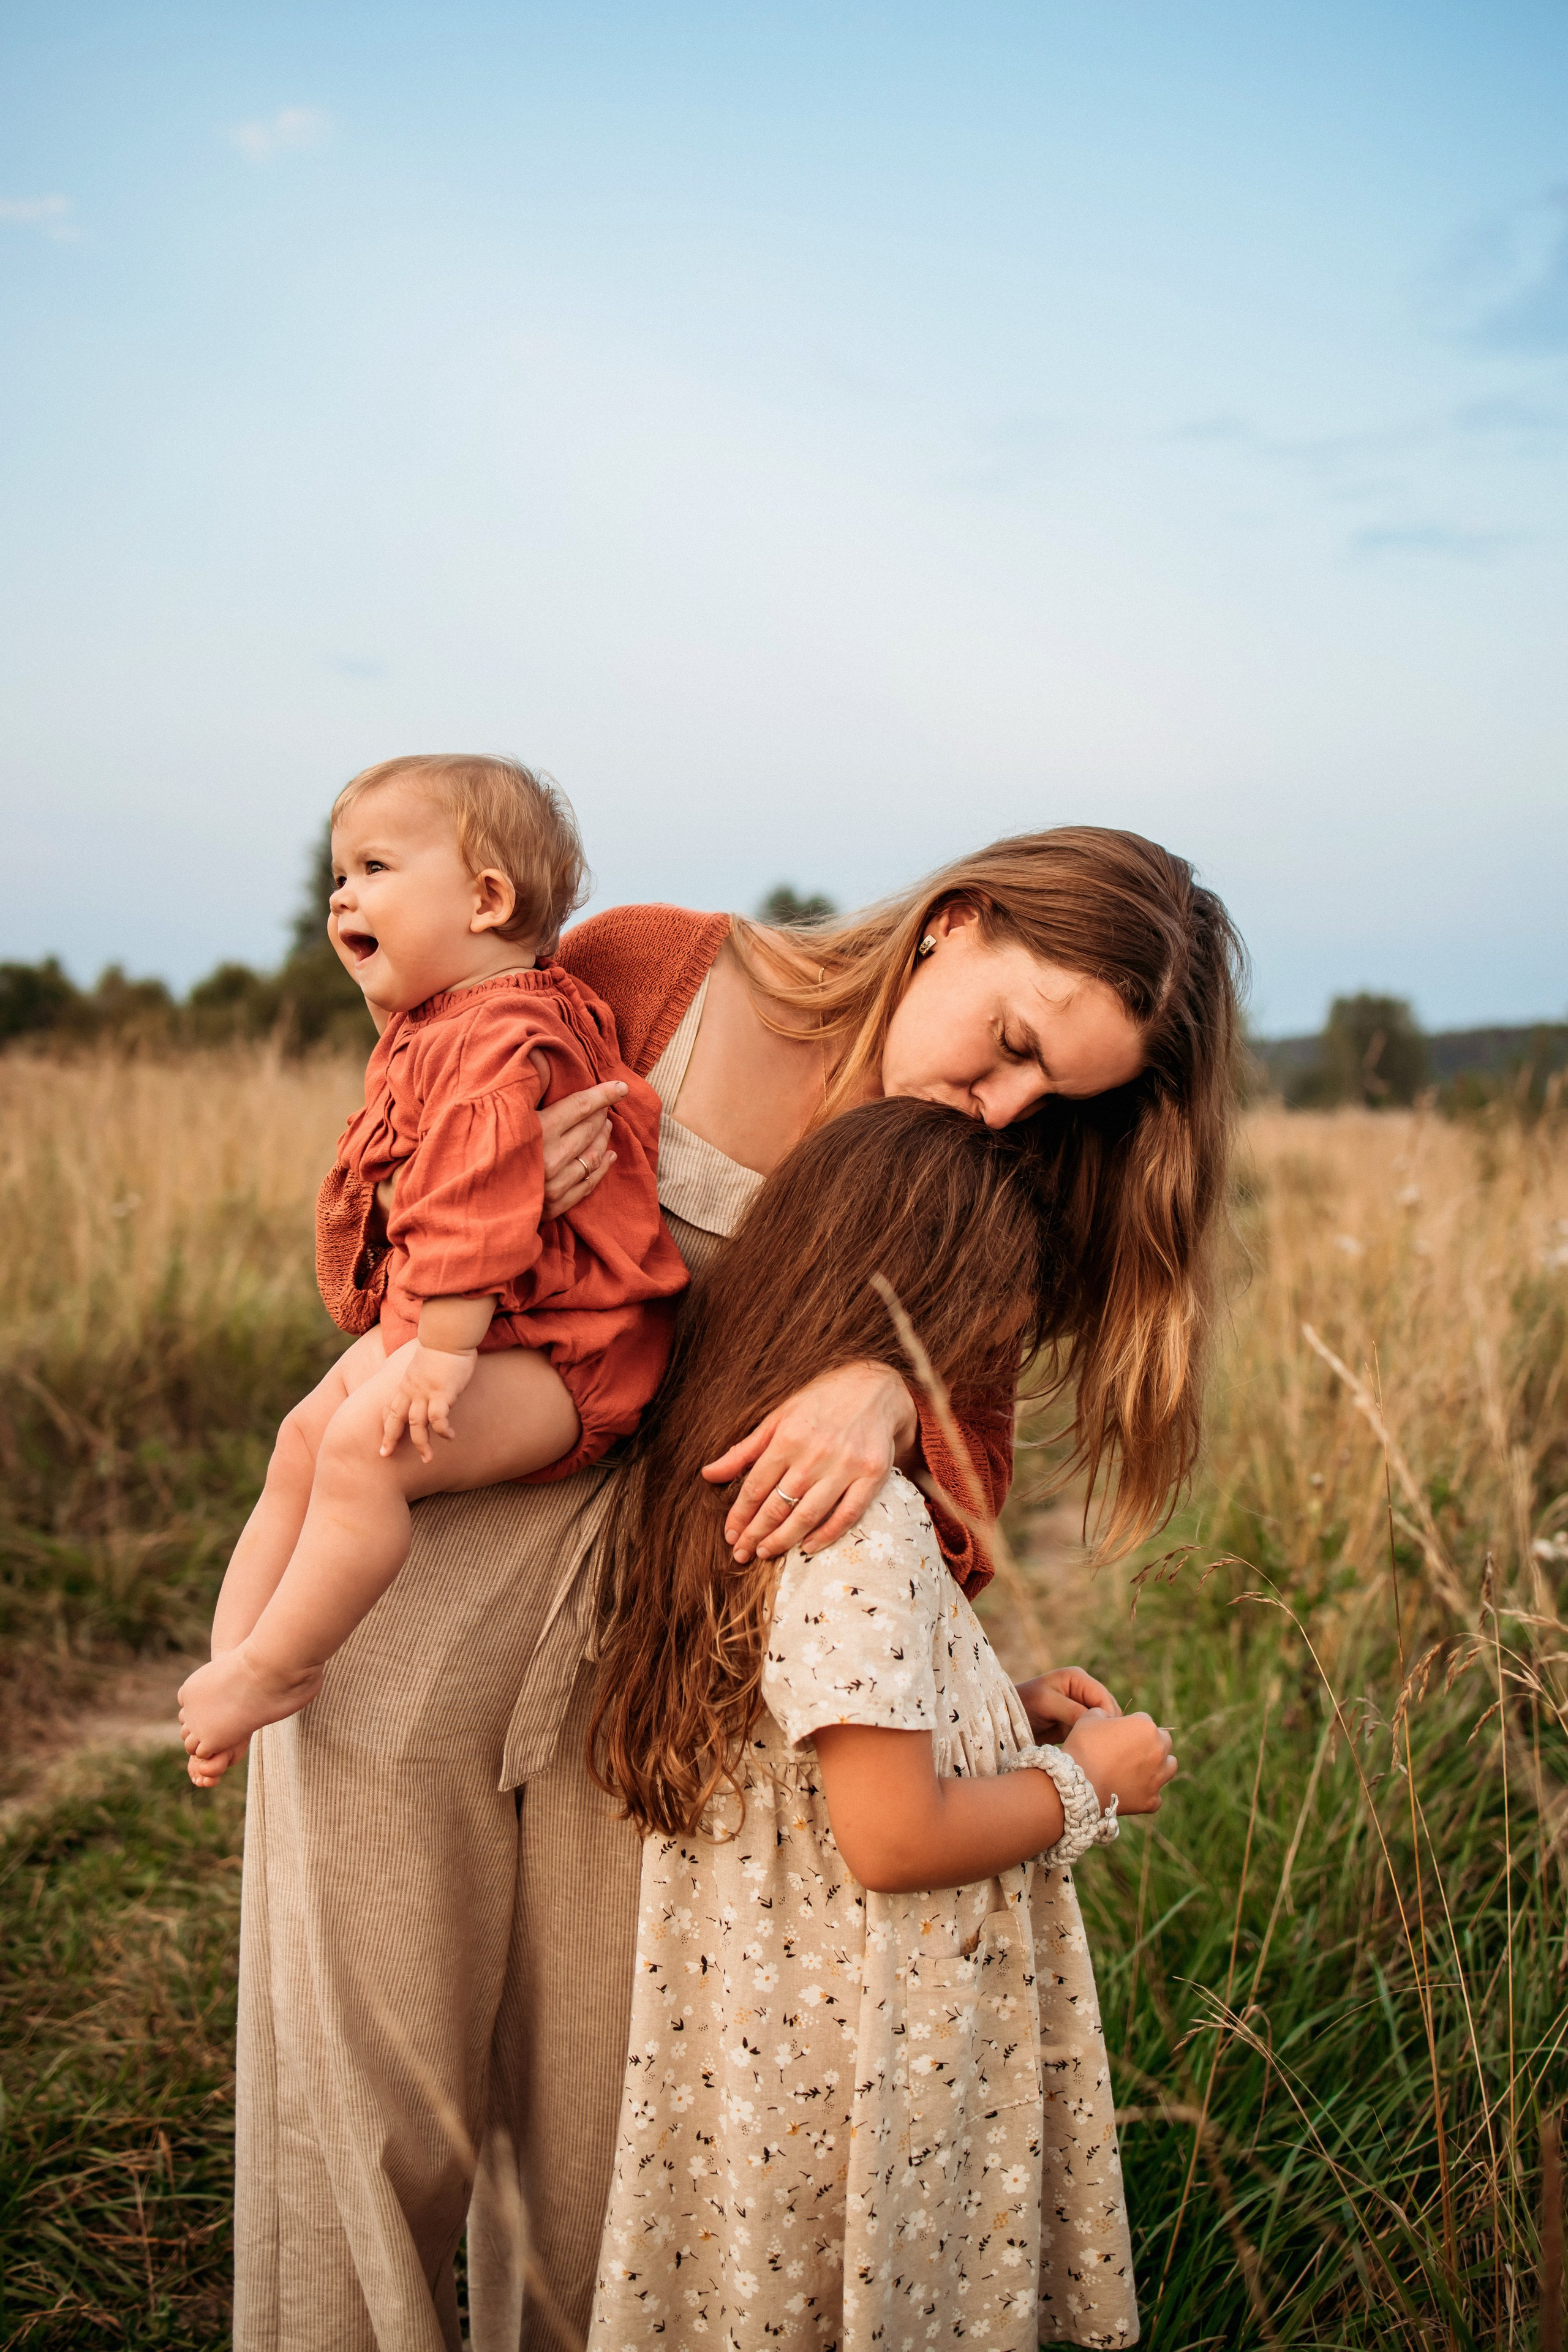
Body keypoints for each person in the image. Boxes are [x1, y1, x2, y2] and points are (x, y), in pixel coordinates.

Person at [235, 823, 1243, 2352]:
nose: (1007, 1102)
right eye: (1013, 1044)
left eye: (1054, 1094)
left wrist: (889, 1398)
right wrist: (476, 1198)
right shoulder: (650, 970)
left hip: (662, 1677)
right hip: (428, 1588)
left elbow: (934, 1541)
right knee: (370, 2103)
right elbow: (380, 1255)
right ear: (952, 926)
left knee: (603, 2146)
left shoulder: (959, 1175)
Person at [587, 1097, 1177, 2350]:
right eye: (991, 1326)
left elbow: (810, 1726)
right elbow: (892, 1837)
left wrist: (990, 1714)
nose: (994, 1361)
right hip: (862, 2055)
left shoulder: (747, 1458)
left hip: (774, 2033)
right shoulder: (859, 1526)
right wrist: (1089, 1783)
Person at [177, 755, 685, 1782]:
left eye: (373, 868)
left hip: (564, 1356)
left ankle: (278, 1666)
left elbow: (475, 1197)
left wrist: (441, 1357)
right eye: (338, 877)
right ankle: (230, 1661)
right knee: (301, 1438)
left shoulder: (505, 1032)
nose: (342, 896)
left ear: (487, 899)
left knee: (364, 1448)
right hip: (487, 1323)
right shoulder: (447, 1023)